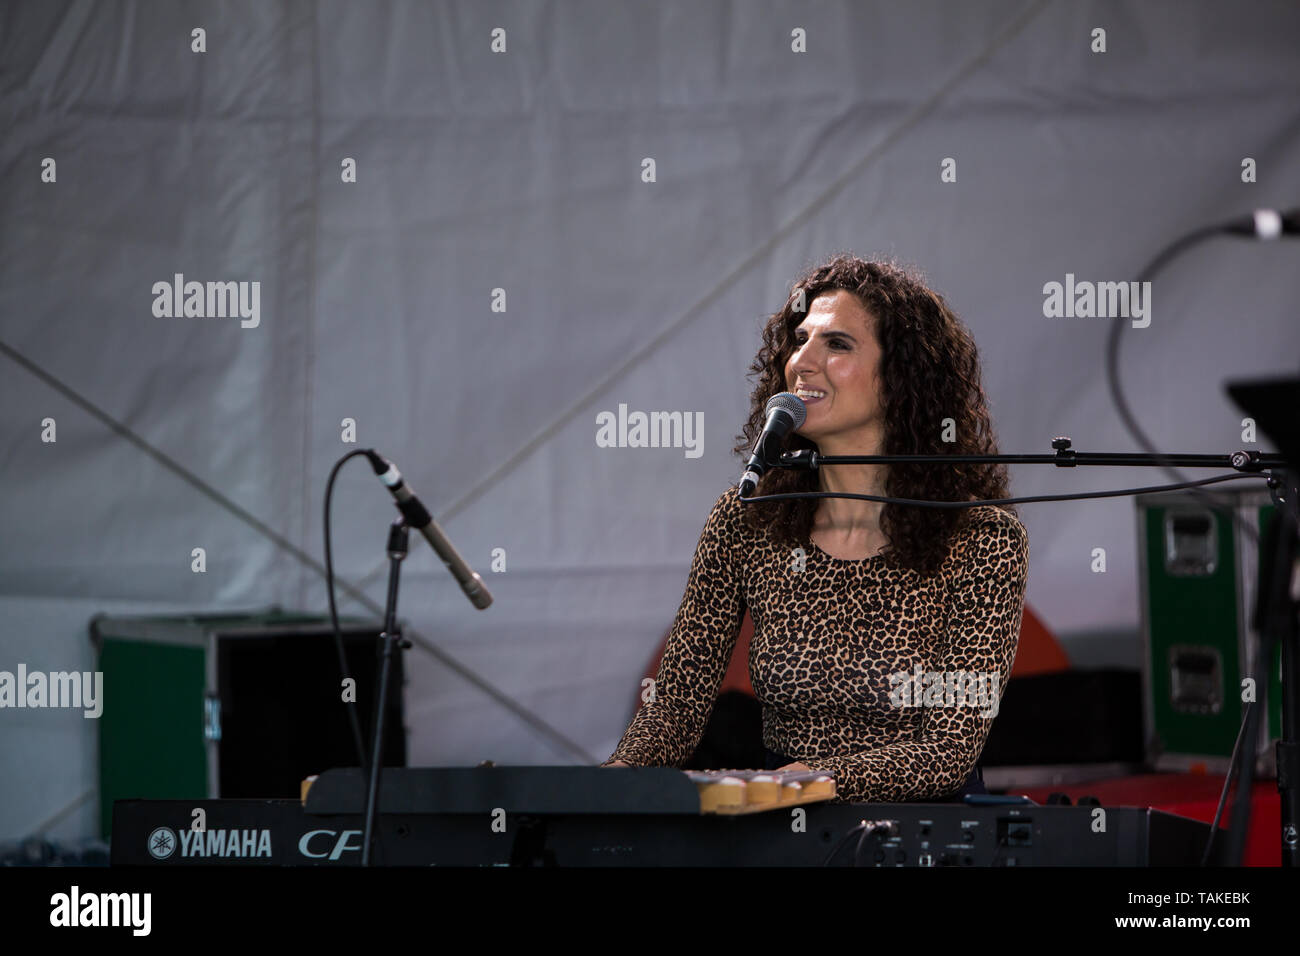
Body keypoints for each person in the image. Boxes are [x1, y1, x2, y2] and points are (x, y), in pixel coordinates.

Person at [601, 254, 1029, 804]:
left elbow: (948, 752)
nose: (802, 361)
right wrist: (602, 787)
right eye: (799, 340)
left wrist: (814, 779)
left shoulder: (981, 538)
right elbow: (675, 709)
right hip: (783, 824)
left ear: (902, 374)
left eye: (837, 344)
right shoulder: (746, 520)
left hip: (919, 832)